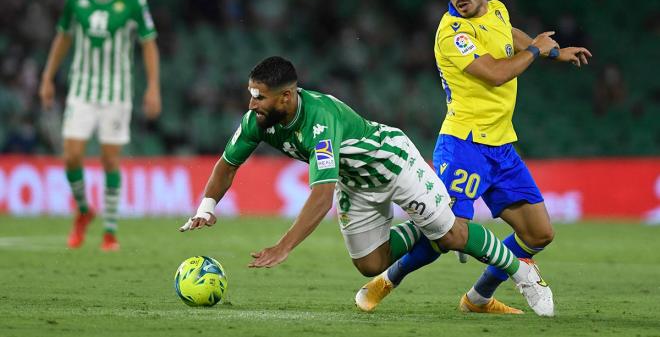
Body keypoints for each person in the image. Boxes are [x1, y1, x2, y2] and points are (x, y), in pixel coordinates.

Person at [179, 56, 554, 316]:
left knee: (454, 235)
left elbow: (321, 195)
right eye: (251, 92)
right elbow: (228, 164)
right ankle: (426, 225)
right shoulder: (256, 121)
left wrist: (284, 247)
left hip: (393, 164)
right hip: (356, 184)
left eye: (260, 95)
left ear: (287, 96)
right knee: (370, 264)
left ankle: (523, 273)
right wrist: (206, 207)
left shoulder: (320, 121)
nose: (252, 102)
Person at [361, 0, 591, 314]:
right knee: (448, 236)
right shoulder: (452, 33)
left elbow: (508, 33)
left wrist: (551, 51)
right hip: (463, 144)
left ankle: (478, 297)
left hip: (501, 145)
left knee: (538, 234)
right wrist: (536, 53)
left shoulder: (497, 7)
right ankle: (385, 280)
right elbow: (498, 74)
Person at [39, 0, 161, 251]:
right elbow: (63, 37)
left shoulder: (134, 1)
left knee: (109, 160)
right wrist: (47, 77)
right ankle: (83, 210)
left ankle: (109, 230)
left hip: (117, 93)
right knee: (71, 155)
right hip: (81, 89)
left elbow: (148, 43)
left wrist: (153, 86)